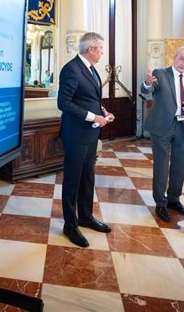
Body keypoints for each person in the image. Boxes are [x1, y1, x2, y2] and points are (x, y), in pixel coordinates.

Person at [57, 32, 114, 247]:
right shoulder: (71, 69)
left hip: (90, 133)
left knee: (88, 177)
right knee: (73, 180)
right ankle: (70, 225)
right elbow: (64, 103)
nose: (101, 53)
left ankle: (86, 217)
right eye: (100, 49)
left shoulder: (91, 69)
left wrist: (102, 110)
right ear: (90, 49)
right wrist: (94, 117)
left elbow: (88, 99)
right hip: (76, 134)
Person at [140, 45, 184, 222]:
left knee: (179, 166)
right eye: (181, 58)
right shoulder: (160, 73)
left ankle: (174, 199)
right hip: (162, 127)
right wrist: (146, 83)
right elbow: (146, 90)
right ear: (175, 57)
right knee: (162, 165)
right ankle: (160, 203)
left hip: (182, 127)